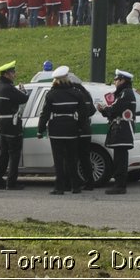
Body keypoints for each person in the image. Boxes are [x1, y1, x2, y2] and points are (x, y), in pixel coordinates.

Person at [37, 65, 94, 195]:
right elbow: (84, 114)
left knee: (58, 160)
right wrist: (79, 127)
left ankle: (60, 187)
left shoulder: (51, 94)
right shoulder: (76, 93)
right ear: (67, 78)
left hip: (56, 130)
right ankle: (75, 186)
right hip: (71, 129)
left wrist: (40, 130)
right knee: (72, 159)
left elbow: (44, 113)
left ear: (55, 80)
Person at [0, 61, 29, 190]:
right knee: (14, 154)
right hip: (12, 124)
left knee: (3, 154)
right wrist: (23, 90)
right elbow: (24, 99)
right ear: (6, 74)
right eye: (12, 72)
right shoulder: (9, 88)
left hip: (0, 125)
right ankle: (11, 182)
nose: (14, 75)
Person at [98, 69, 136, 194]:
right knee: (119, 158)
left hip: (122, 129)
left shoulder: (126, 93)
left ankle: (120, 185)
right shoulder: (123, 93)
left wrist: (104, 109)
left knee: (120, 159)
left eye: (116, 80)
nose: (114, 82)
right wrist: (105, 110)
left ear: (122, 80)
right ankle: (119, 184)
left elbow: (115, 108)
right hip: (120, 129)